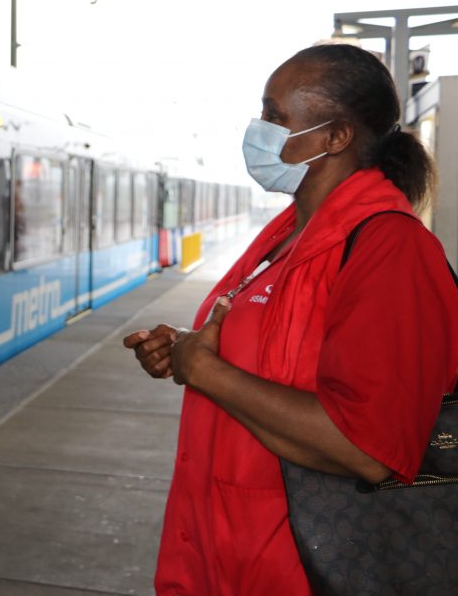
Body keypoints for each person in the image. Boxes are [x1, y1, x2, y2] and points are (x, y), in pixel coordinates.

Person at [123, 43, 458, 595]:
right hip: (221, 554)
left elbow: (368, 448)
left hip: (302, 567)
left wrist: (206, 370)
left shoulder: (391, 250)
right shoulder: (284, 236)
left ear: (335, 137)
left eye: (274, 117)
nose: (258, 129)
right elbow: (273, 355)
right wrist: (186, 350)